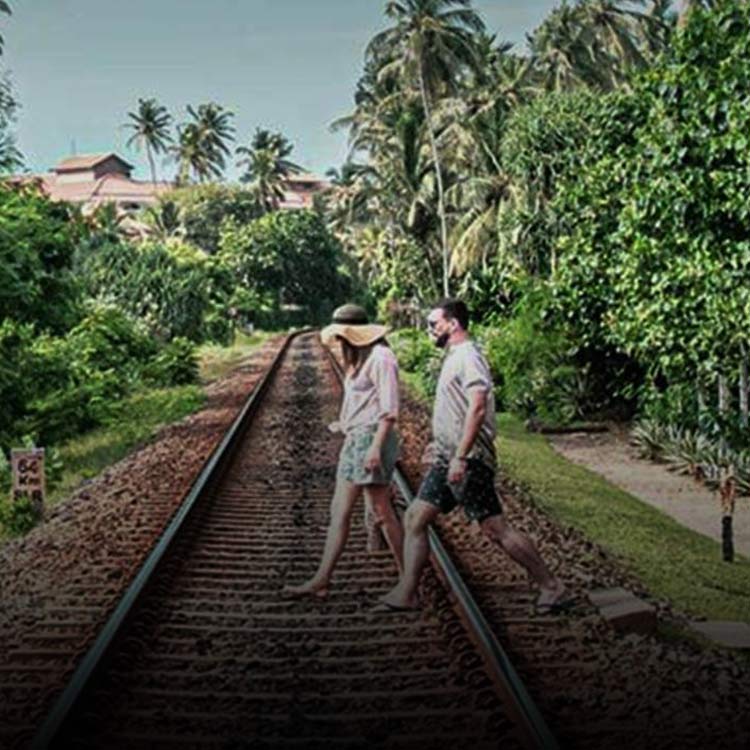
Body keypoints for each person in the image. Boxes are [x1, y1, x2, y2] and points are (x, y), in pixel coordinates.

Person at [376, 298, 570, 614]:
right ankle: (407, 592)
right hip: (448, 457)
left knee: (495, 528)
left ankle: (552, 586)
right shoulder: (455, 356)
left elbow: (477, 406)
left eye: (434, 323)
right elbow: (458, 410)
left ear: (453, 324)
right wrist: (441, 447)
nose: (429, 330)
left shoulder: (468, 357)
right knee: (415, 517)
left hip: (469, 459)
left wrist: (461, 456)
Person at [283, 304, 404, 597]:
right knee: (340, 510)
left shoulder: (381, 358)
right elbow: (362, 403)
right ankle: (322, 578)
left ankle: (407, 578)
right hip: (355, 440)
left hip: (371, 441)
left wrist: (375, 448)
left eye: (342, 335)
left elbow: (389, 411)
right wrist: (345, 423)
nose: (339, 341)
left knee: (381, 511)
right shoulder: (359, 358)